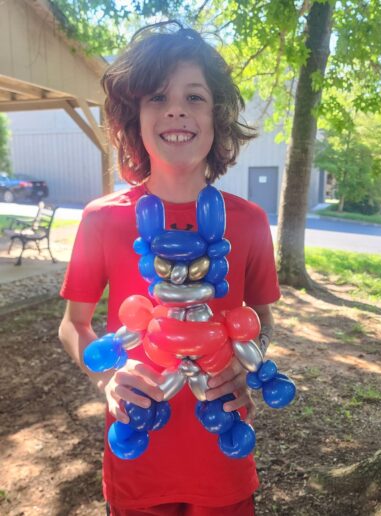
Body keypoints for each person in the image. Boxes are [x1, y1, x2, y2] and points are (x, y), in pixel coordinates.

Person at [59, 21, 280, 516]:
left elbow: (264, 318)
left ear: (217, 116)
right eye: (157, 97)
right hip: (138, 457)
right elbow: (73, 325)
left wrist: (249, 362)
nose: (176, 108)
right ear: (134, 117)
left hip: (222, 456)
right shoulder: (103, 219)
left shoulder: (249, 222)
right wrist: (106, 378)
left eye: (194, 96)